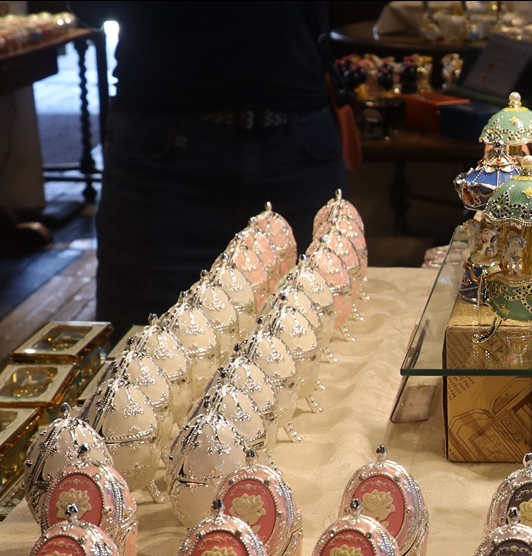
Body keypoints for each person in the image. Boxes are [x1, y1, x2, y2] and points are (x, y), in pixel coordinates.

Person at [75, 2, 345, 331]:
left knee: (323, 346)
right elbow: (91, 8)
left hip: (296, 146)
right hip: (163, 159)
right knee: (139, 347)